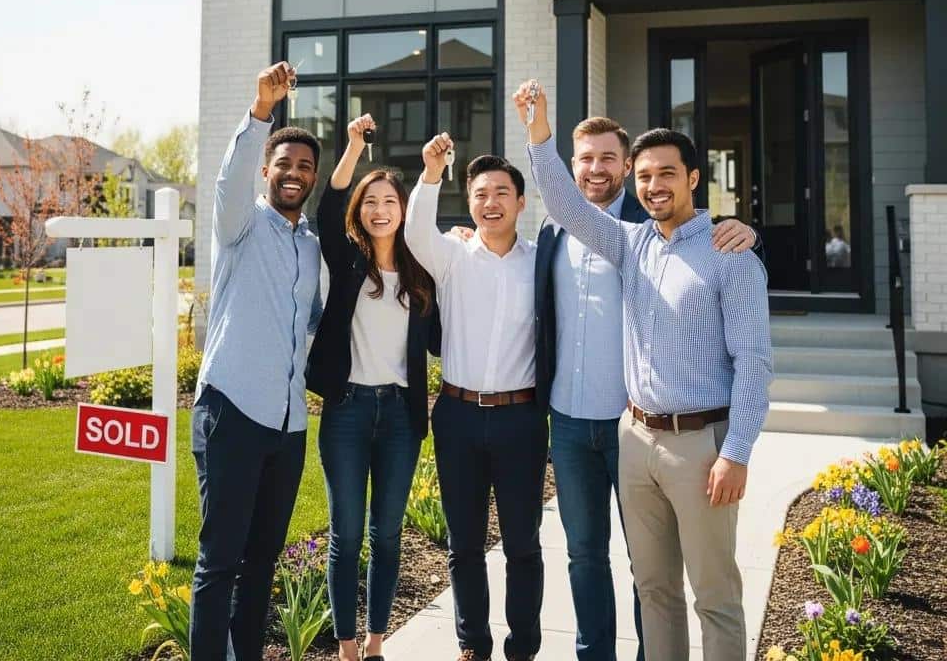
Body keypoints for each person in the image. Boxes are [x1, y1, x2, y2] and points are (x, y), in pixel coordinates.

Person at [452, 116, 761, 661]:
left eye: (663, 173)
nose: (652, 183)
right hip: (582, 425)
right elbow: (563, 211)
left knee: (682, 581)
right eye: (585, 159)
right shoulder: (574, 237)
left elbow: (754, 360)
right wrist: (538, 134)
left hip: (656, 429)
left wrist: (735, 451)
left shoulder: (687, 240)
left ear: (693, 178)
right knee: (596, 560)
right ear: (574, 167)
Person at [190, 61, 322, 661]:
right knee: (220, 561)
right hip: (233, 411)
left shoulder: (311, 245)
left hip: (289, 425)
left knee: (263, 560)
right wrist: (261, 110)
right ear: (267, 171)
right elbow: (227, 181)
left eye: (304, 168)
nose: (293, 174)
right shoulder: (239, 226)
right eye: (284, 165)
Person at [405, 136, 547, 661]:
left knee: (523, 546)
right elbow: (415, 231)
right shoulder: (452, 257)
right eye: (481, 194)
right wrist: (431, 171)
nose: (491, 202)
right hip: (458, 416)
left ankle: (523, 647)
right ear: (469, 203)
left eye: (501, 193)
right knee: (463, 544)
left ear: (520, 203)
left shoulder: (541, 262)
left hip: (521, 419)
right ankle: (473, 644)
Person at [306, 114, 441, 661]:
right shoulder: (347, 262)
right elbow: (328, 205)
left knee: (386, 535)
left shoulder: (420, 273)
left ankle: (378, 641)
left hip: (402, 418)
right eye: (371, 202)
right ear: (361, 212)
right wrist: (354, 148)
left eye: (389, 201)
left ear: (402, 210)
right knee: (346, 534)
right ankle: (346, 648)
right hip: (348, 411)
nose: (379, 209)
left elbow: (437, 340)